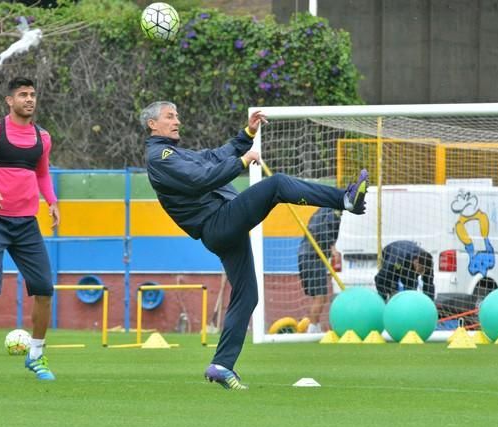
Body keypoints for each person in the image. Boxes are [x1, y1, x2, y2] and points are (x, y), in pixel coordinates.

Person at [141, 101, 368, 390]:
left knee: (247, 296)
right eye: (170, 116)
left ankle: (222, 365)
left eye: (177, 115)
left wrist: (246, 134)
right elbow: (200, 180)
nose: (177, 121)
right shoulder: (160, 157)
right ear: (152, 125)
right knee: (277, 186)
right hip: (219, 223)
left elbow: (213, 156)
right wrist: (242, 162)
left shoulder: (174, 153)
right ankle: (345, 200)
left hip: (223, 226)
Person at [0, 77, 60, 381]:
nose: (29, 100)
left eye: (32, 95)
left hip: (26, 223)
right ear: (9, 100)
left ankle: (36, 355)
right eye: (22, 95)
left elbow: (42, 174)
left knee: (44, 288)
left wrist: (52, 201)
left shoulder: (43, 138)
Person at [298, 208, 342, 333]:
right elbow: (321, 230)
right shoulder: (332, 212)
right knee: (321, 296)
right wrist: (332, 248)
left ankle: (314, 327)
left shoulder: (320, 212)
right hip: (313, 257)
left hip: (305, 255)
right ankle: (312, 329)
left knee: (317, 296)